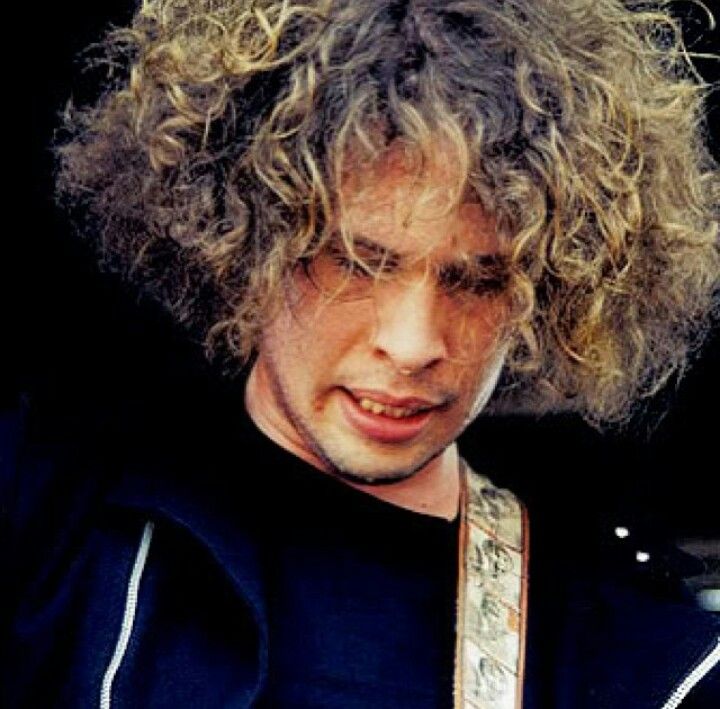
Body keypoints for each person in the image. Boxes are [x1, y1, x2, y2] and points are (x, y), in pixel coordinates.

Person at [3, 0, 719, 706]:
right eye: (356, 263)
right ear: (248, 238)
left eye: (477, 279)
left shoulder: (635, 660)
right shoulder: (55, 511)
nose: (413, 345)